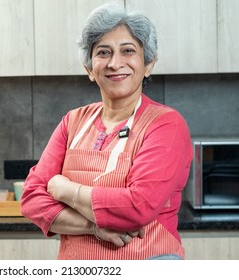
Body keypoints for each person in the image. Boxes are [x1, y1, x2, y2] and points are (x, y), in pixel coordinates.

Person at [20, 3, 192, 260]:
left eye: (128, 51)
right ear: (89, 69)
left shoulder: (166, 124)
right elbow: (32, 199)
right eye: (103, 52)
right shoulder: (73, 121)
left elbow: (137, 206)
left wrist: (63, 189)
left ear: (148, 65)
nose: (115, 63)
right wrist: (94, 227)